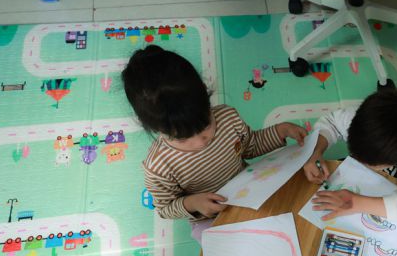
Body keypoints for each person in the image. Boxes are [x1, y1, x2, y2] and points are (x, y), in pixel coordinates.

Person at [122, 45, 307, 241]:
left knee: (292, 219)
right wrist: (193, 203)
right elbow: (166, 209)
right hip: (209, 217)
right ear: (157, 129)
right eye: (184, 137)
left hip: (249, 191)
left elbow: (251, 145)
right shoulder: (159, 166)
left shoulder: (227, 117)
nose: (201, 140)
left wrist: (281, 131)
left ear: (205, 96)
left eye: (206, 125)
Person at [304, 88, 397, 223]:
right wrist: (316, 151)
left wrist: (355, 202)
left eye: (370, 165)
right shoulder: (372, 117)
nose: (358, 164)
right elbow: (332, 122)